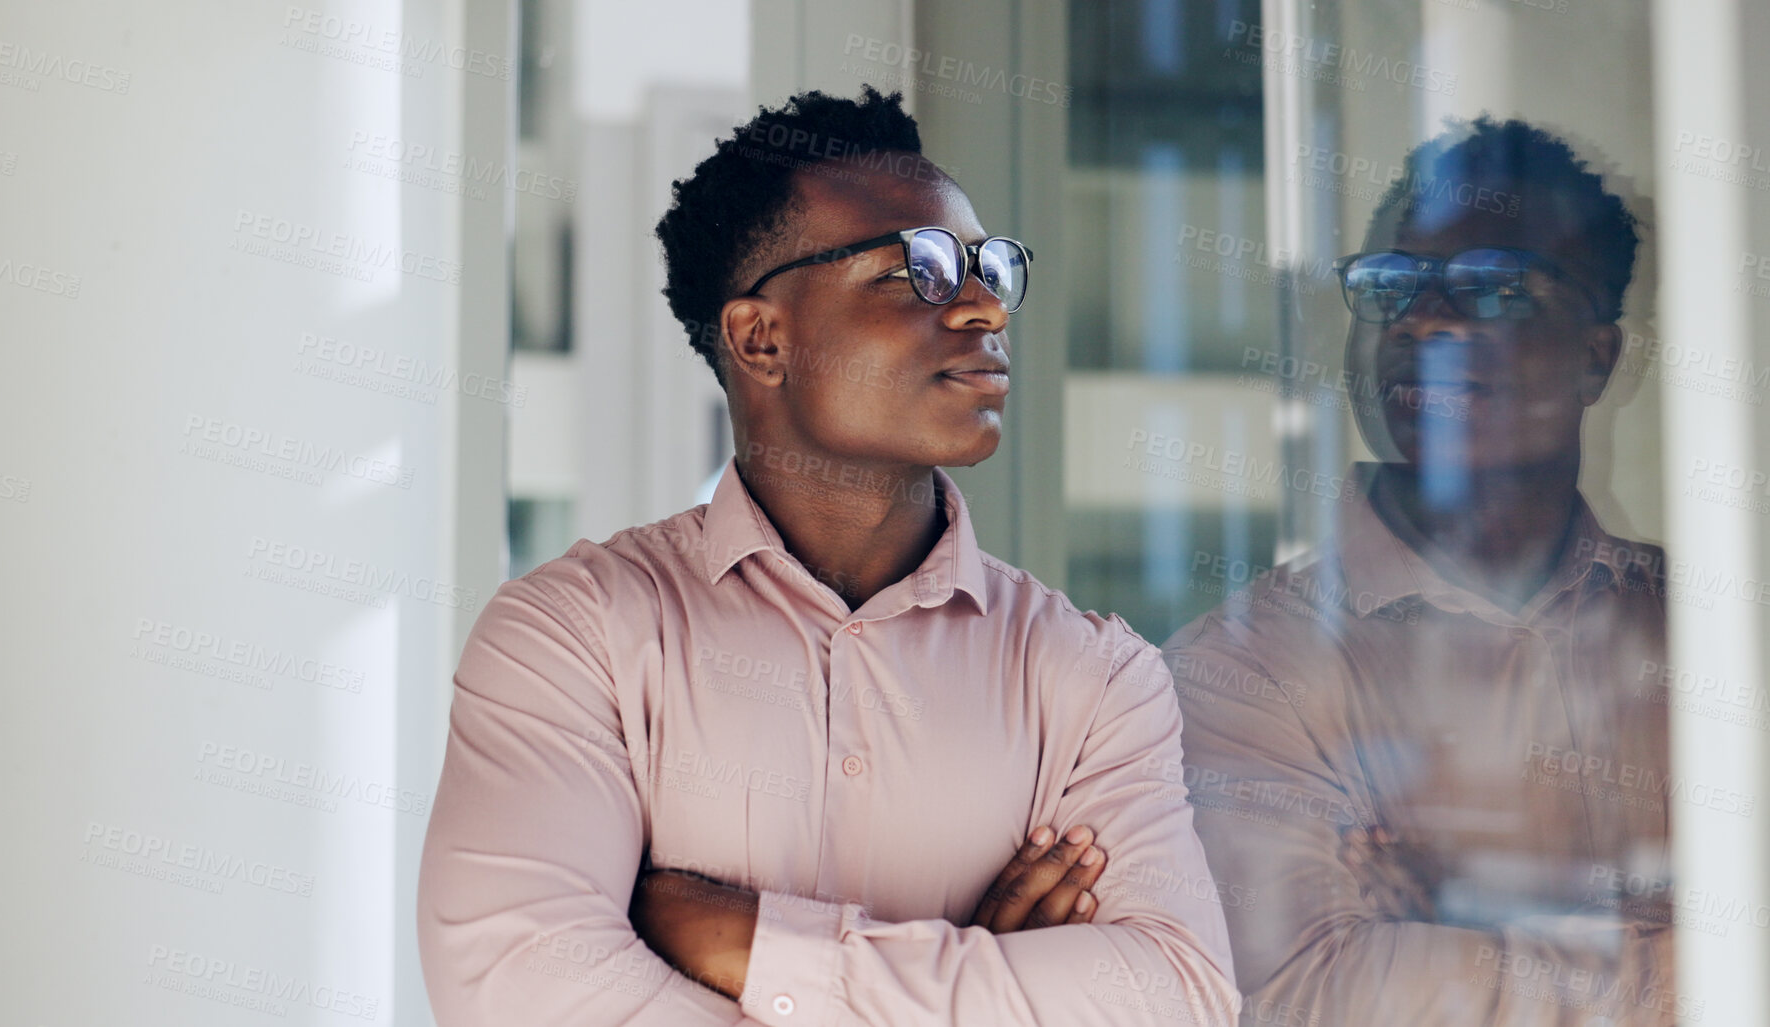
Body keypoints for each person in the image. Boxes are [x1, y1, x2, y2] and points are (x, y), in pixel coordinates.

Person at [420, 87, 1239, 1026]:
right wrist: (973, 981)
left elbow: (1175, 994)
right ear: (759, 338)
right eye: (919, 270)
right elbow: (523, 990)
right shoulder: (573, 638)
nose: (981, 309)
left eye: (988, 268)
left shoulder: (1094, 680)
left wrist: (757, 944)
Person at [1166, 117, 1688, 1025]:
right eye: (1389, 287)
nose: (1424, 319)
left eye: (1492, 289)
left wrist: (1456, 925)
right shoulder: (1246, 668)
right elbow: (1309, 994)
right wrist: (1687, 952)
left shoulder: (1707, 629)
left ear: (1596, 359)